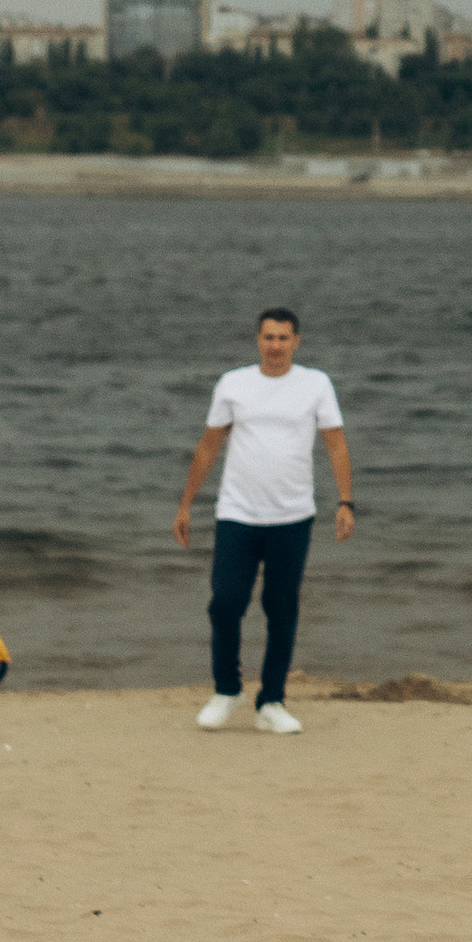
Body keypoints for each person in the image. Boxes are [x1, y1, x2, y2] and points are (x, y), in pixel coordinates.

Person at [172, 306, 353, 732]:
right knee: (225, 603)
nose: (276, 346)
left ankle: (272, 701)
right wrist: (185, 504)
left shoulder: (316, 384)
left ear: (296, 341)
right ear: (258, 340)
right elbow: (208, 447)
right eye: (269, 338)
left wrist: (345, 502)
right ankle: (227, 689)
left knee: (281, 607)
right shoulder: (234, 384)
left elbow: (337, 446)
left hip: (293, 515)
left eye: (284, 338)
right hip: (237, 513)